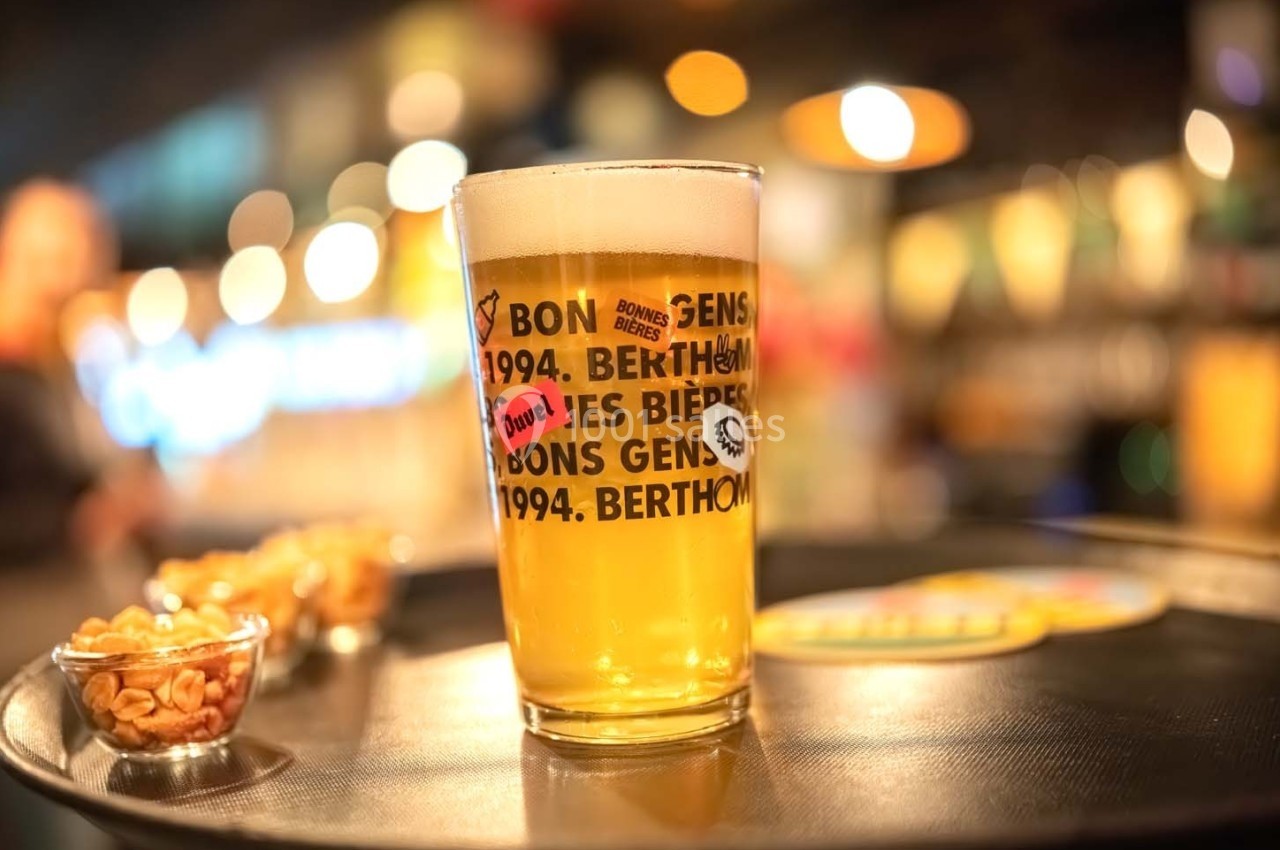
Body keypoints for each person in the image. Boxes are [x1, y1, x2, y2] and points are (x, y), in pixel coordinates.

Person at [0, 178, 164, 563]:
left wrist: (114, 502)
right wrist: (80, 524)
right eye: (45, 263)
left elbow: (53, 484)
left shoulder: (50, 368)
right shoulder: (15, 371)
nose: (60, 282)